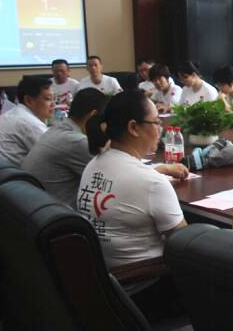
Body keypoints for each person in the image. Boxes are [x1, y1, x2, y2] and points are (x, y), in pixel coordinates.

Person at [78, 89, 187, 269]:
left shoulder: (93, 165)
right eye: (156, 122)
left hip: (104, 274)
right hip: (144, 278)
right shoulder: (152, 183)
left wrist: (162, 169)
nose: (160, 129)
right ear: (133, 128)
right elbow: (186, 244)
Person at [22, 88, 108, 208]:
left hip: (34, 207)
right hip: (58, 213)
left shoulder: (56, 129)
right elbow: (111, 178)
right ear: (93, 115)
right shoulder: (76, 141)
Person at [0, 76, 53, 166]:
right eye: (48, 99)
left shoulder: (9, 114)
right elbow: (56, 154)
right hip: (16, 173)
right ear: (28, 100)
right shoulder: (29, 123)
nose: (53, 104)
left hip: (0, 171)